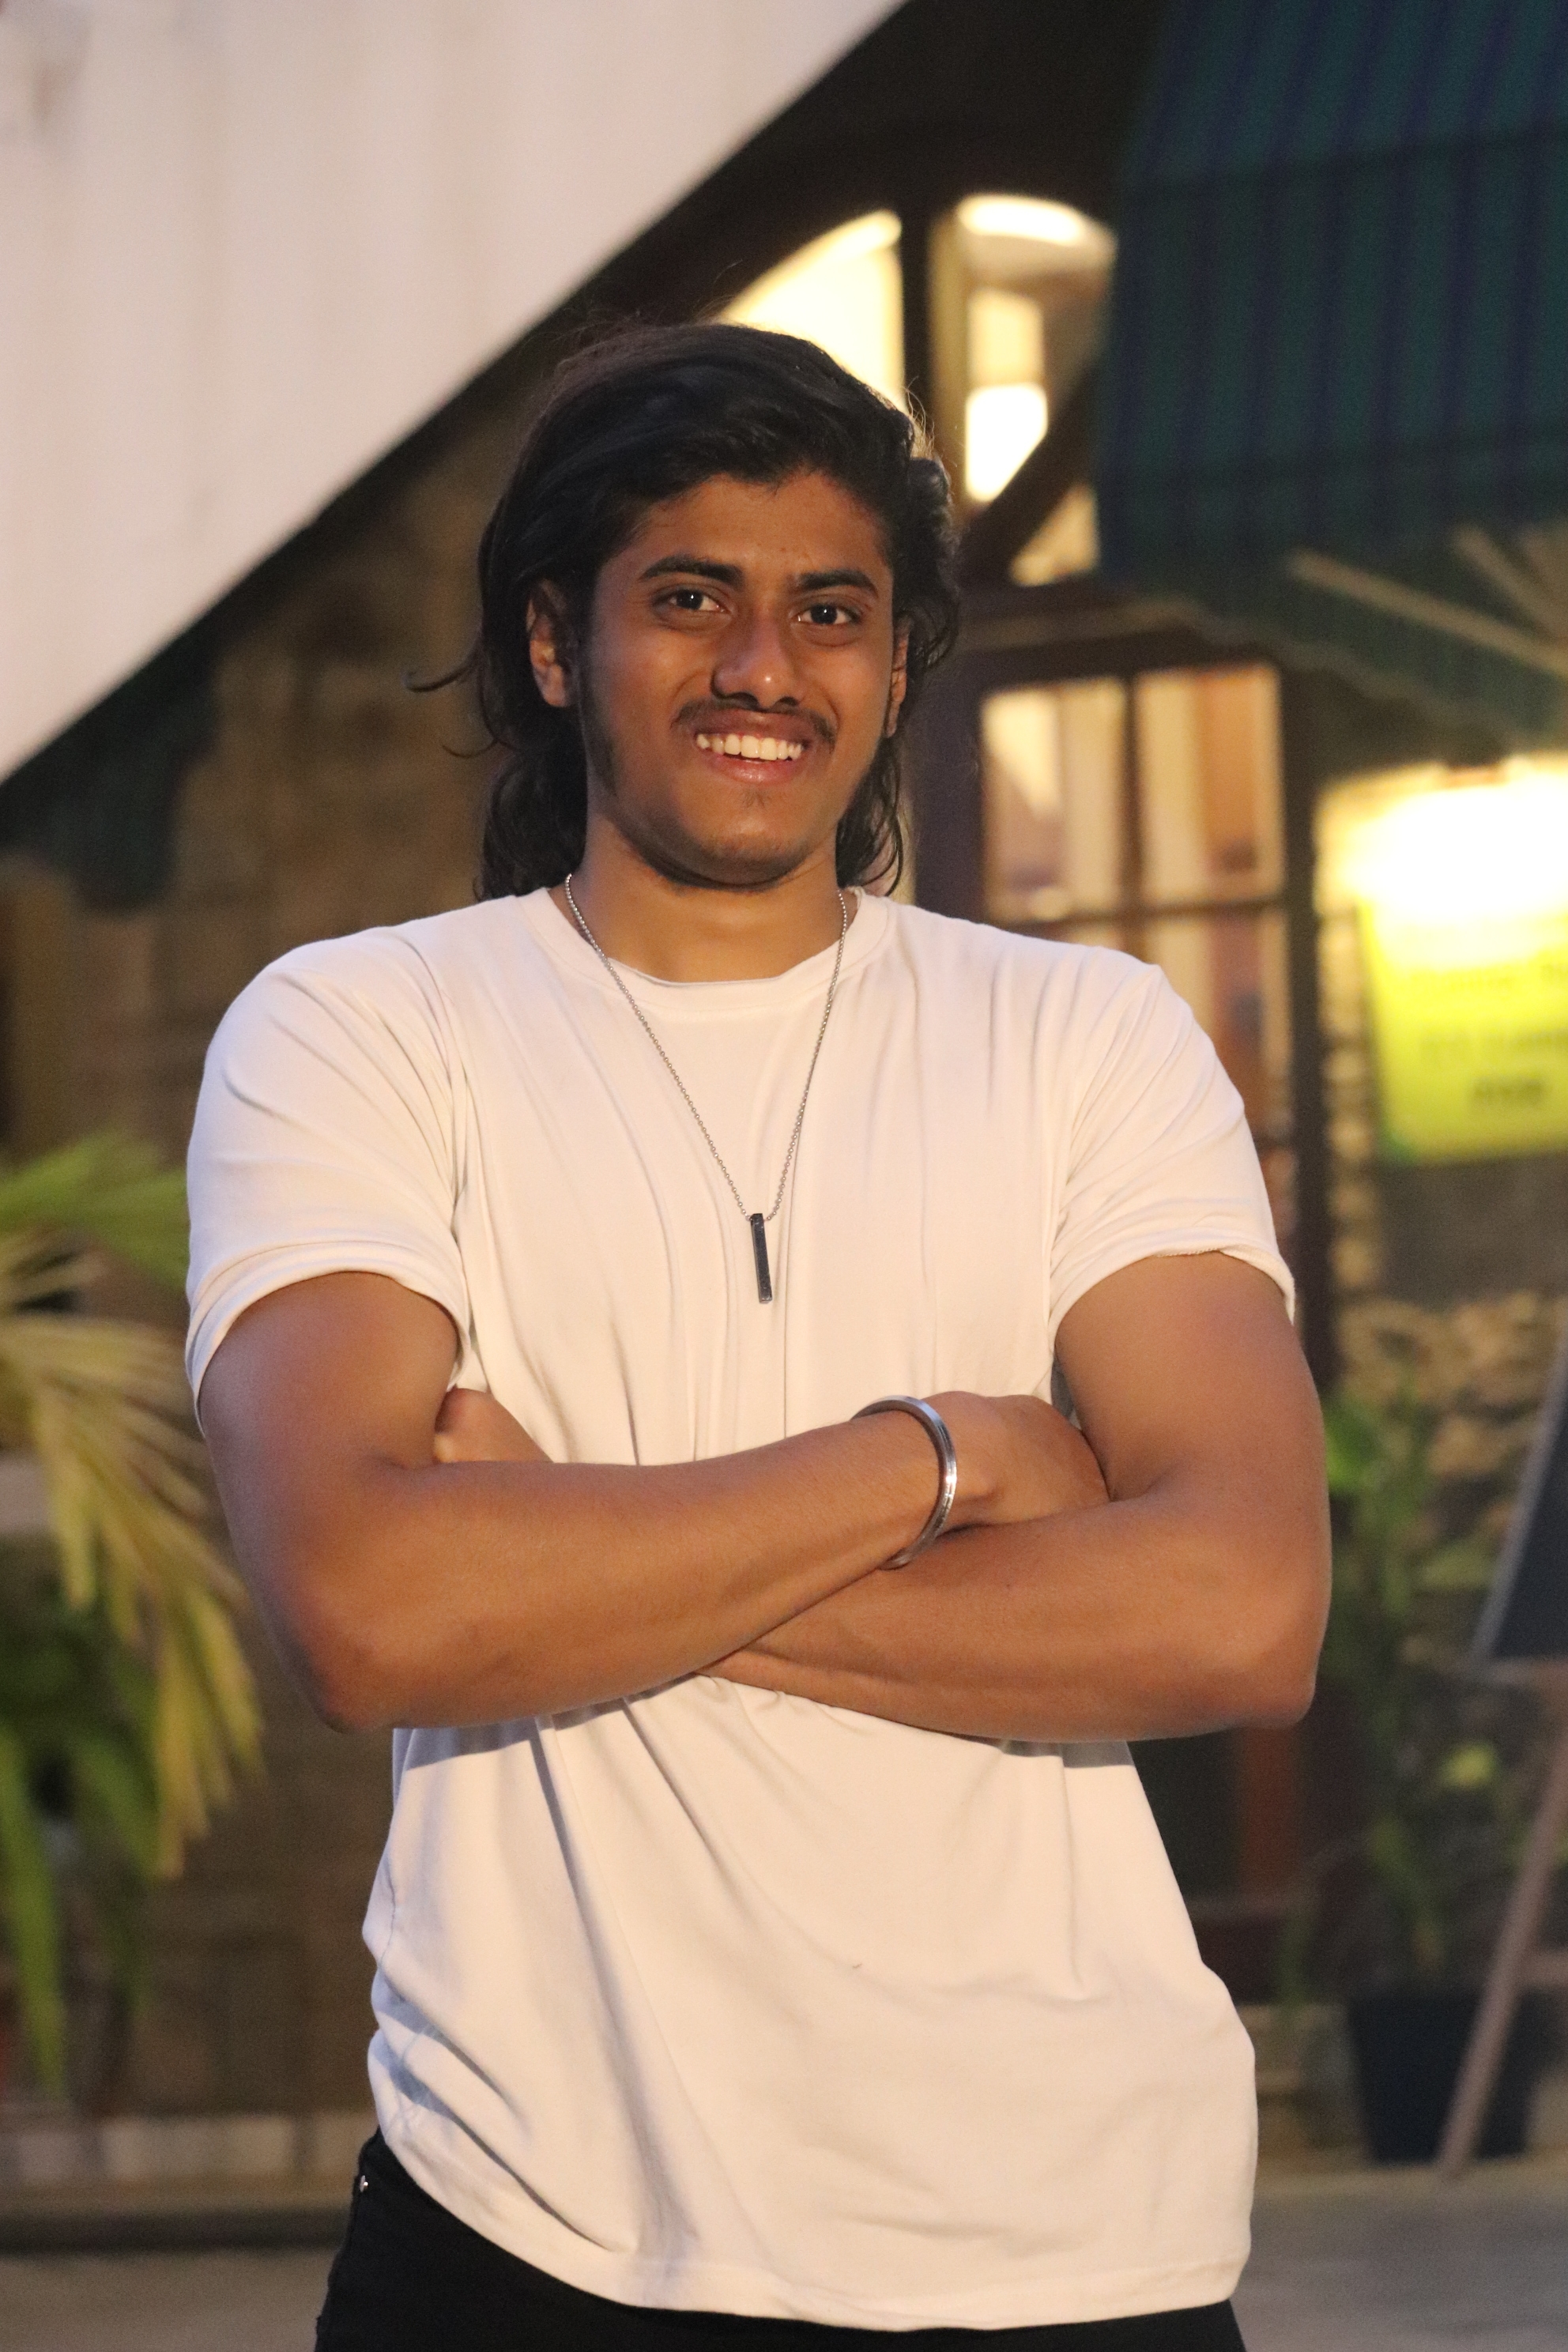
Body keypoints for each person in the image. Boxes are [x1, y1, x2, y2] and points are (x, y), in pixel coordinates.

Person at [187, 322, 1329, 2352]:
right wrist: (935, 1459)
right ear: (557, 644)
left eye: (828, 612)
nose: (761, 667)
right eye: (689, 597)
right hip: (529, 2225)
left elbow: (1241, 1611)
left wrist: (558, 1554)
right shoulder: (363, 1032)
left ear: (889, 669)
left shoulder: (1084, 1039)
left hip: (1075, 2233)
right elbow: (366, 1608)